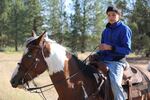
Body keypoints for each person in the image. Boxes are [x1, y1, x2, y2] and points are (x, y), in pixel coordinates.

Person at [91, 6, 132, 100]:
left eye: (114, 15)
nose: (111, 17)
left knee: (115, 84)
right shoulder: (105, 31)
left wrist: (111, 47)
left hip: (117, 62)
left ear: (119, 16)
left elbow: (127, 50)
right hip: (103, 60)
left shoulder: (124, 29)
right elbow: (103, 49)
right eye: (109, 15)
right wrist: (97, 54)